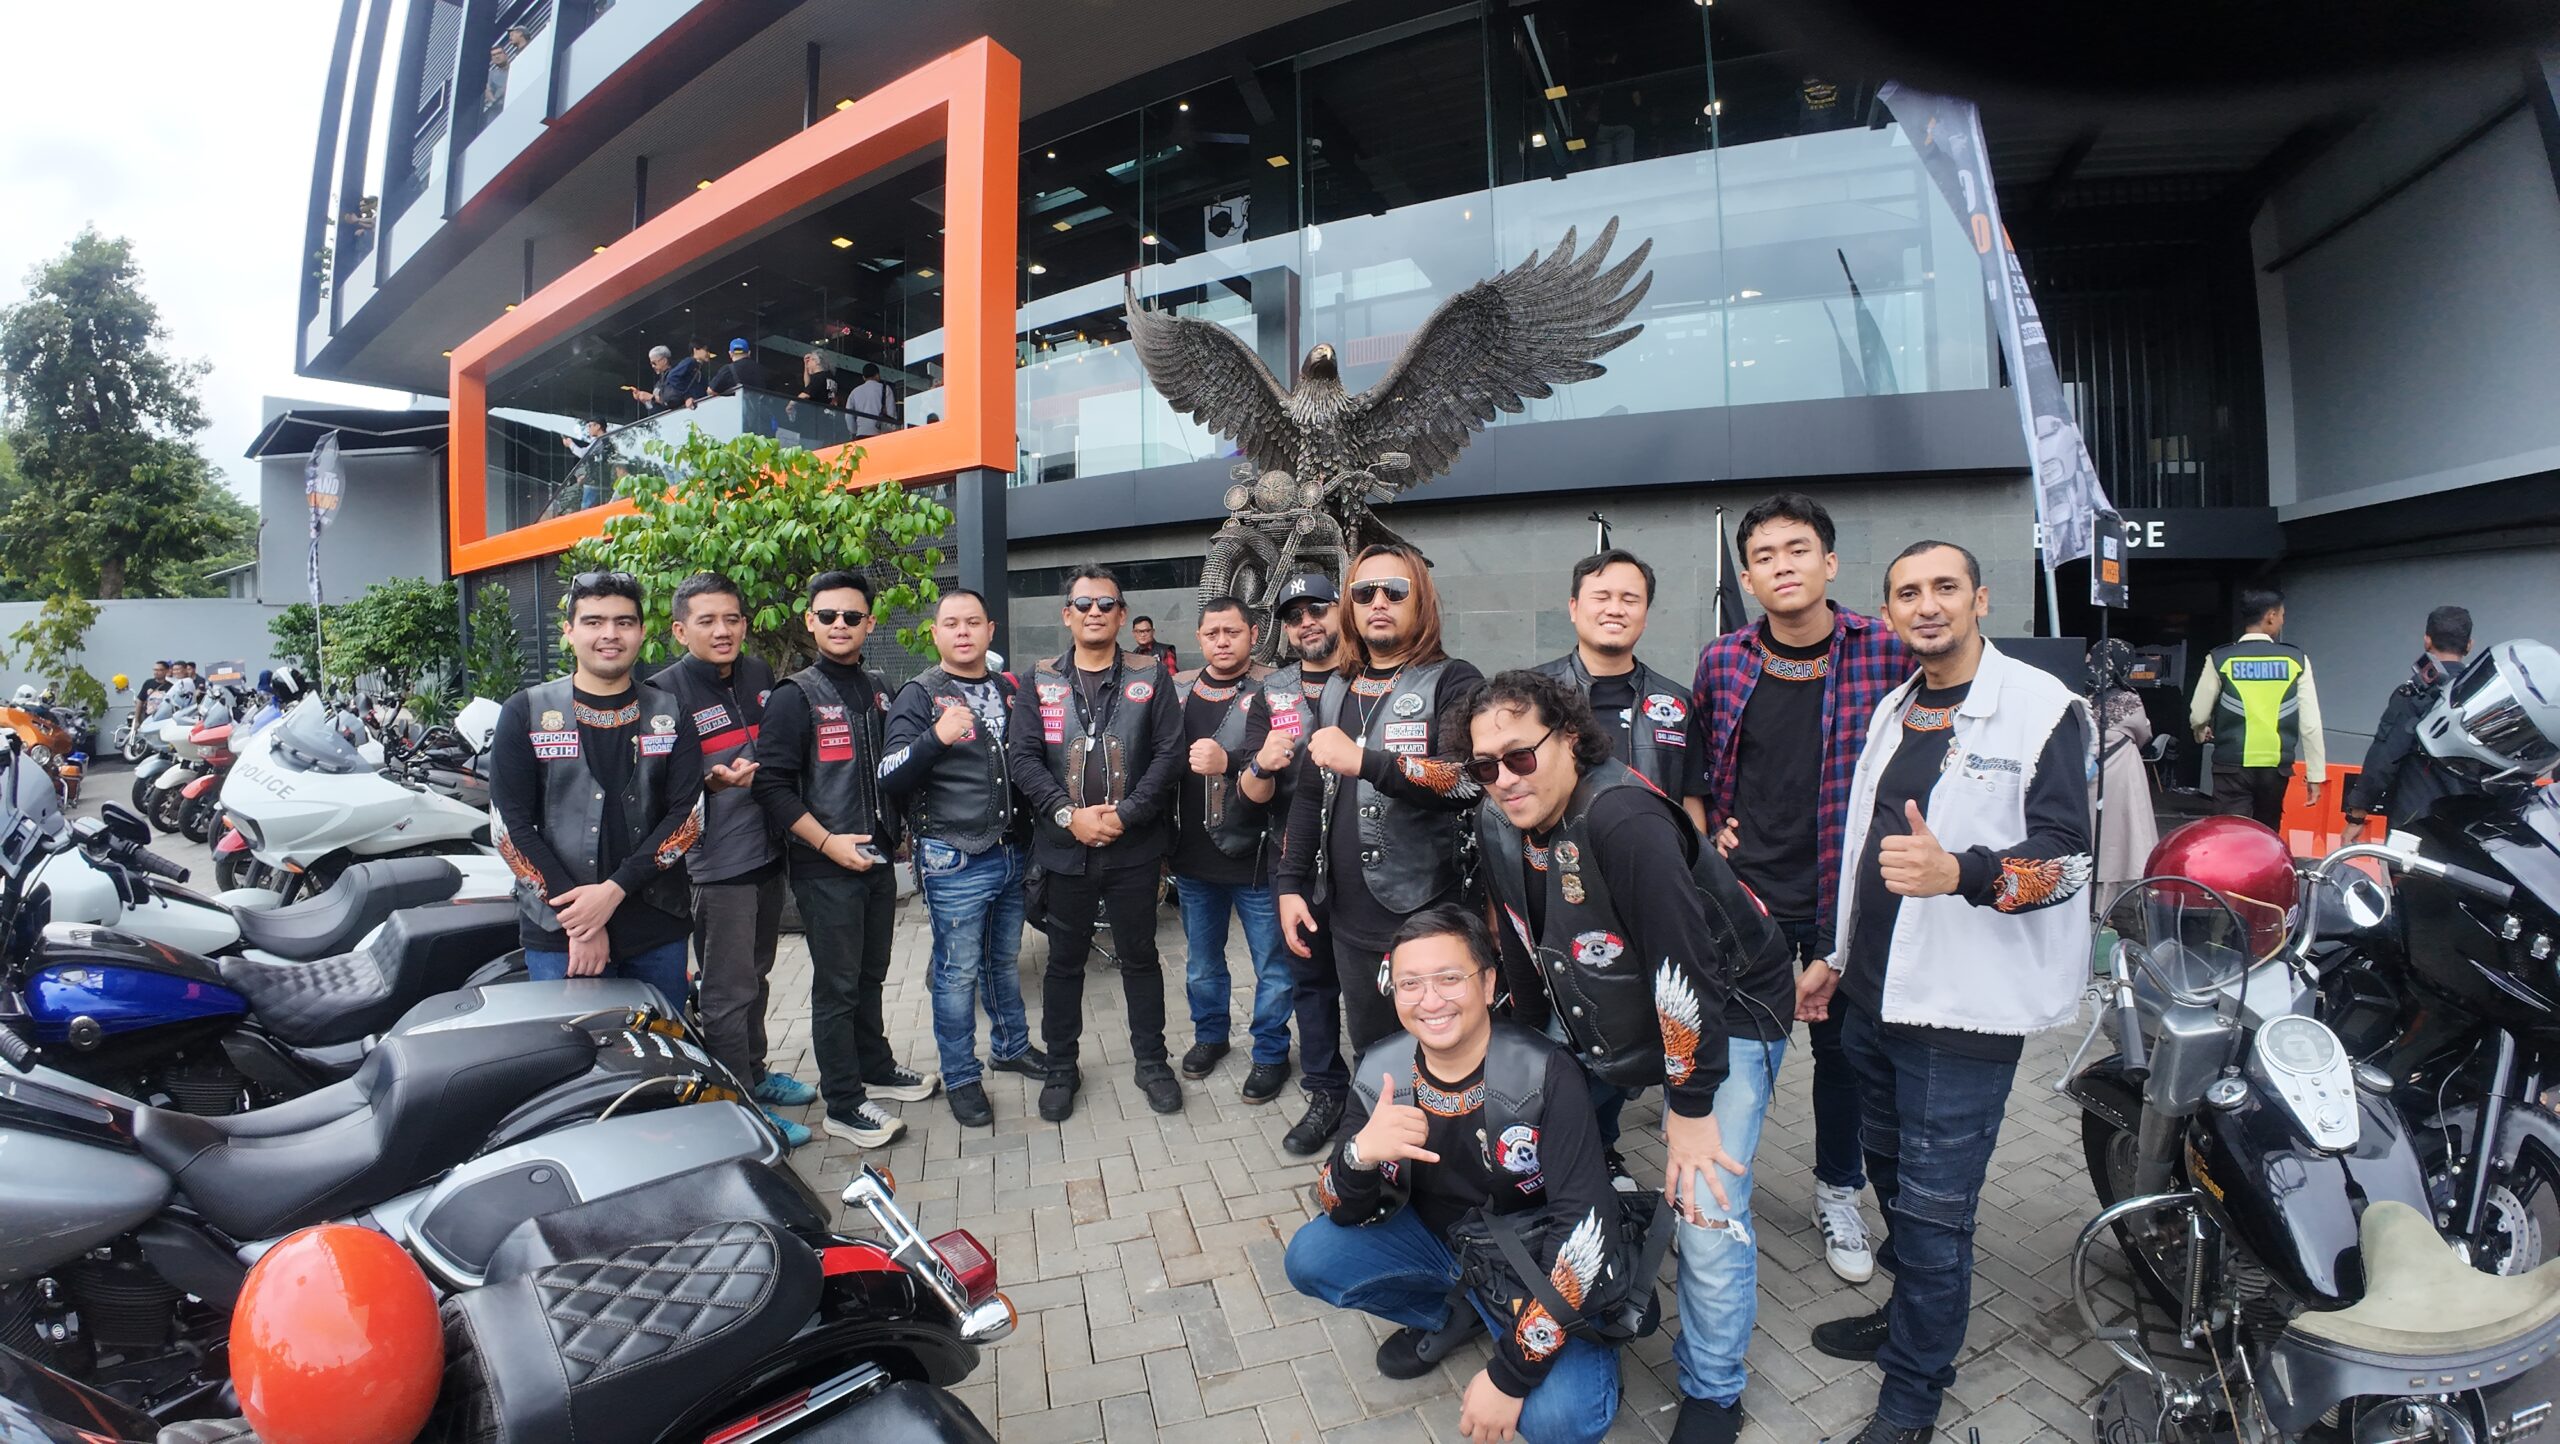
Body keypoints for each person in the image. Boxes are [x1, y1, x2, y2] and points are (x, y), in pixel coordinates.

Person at [1797, 540, 2094, 1444]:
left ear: (1980, 599)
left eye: (1944, 588)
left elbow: (2068, 863)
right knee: (1893, 1186)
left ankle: (1912, 1398)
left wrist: (1962, 871)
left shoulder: (2042, 709)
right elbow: (1864, 849)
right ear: (1888, 612)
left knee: (1935, 1218)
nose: (1926, 606)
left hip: (1960, 1018)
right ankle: (1909, 1321)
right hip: (1872, 1002)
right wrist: (1836, 957)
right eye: (1907, 593)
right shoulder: (1896, 709)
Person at [1463, 669, 1791, 1444]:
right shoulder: (1499, 819)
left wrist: (1689, 1109)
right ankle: (1536, 1278)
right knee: (1514, 1126)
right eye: (1485, 766)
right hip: (1608, 994)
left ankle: (1714, 1388)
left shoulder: (1623, 819)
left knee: (1704, 1205)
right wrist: (1528, 1058)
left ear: (1570, 739)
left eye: (1520, 756)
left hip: (1728, 1004)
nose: (1504, 779)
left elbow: (1686, 969)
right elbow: (1523, 944)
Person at [1283, 906, 1622, 1444]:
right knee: (1311, 1256)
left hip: (1533, 1264)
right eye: (1410, 984)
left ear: (1487, 984)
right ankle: (1453, 1313)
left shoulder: (1546, 1072)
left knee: (1565, 1419)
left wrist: (1511, 1375)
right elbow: (1338, 1206)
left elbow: (1583, 1230)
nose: (1430, 1000)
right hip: (1440, 1246)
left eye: (1449, 978)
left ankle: (1502, 1321)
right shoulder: (1380, 1070)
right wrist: (1359, 1155)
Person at [1685, 491, 1908, 1286]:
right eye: (1765, 557)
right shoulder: (1724, 660)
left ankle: (1839, 1191)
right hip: (1751, 899)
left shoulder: (1887, 652)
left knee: (1846, 1057)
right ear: (1747, 578)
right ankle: (1715, 1202)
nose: (1783, 567)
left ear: (1830, 562)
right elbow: (1702, 766)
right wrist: (1711, 832)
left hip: (1850, 898)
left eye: (1798, 550)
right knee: (1740, 1056)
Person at [1276, 543, 1485, 1066]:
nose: (1378, 602)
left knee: (1442, 1050)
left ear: (1421, 601)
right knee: (1372, 1052)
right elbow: (1311, 792)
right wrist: (1289, 883)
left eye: (1395, 591)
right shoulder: (1337, 686)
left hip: (1427, 909)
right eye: (1364, 592)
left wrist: (1366, 761)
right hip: (1347, 914)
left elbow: (1466, 781)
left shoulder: (1454, 680)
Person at [751, 570, 938, 1150]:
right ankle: (843, 1102)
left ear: (869, 623)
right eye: (827, 615)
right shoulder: (794, 696)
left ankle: (874, 1066)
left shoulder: (879, 686)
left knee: (871, 973)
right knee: (837, 987)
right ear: (810, 621)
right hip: (824, 865)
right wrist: (827, 842)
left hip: (878, 858)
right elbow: (772, 787)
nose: (839, 625)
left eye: (851, 616)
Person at [1004, 564, 1186, 1121]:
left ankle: (1151, 1062)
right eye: (1083, 604)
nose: (1094, 613)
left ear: (1122, 614)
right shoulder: (1039, 680)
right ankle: (1062, 1065)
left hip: (1134, 849)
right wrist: (1068, 815)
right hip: (1065, 852)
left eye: (1106, 604)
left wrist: (1126, 815)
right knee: (1063, 965)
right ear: (1067, 615)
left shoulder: (1151, 676)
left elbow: (1169, 755)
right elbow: (1023, 758)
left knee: (1140, 958)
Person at [489, 570, 704, 1006]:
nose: (610, 634)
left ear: (642, 632)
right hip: (559, 934)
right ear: (569, 631)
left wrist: (613, 892)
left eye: (624, 622)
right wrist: (580, 922)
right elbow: (509, 827)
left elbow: (688, 817)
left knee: (663, 1044)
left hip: (656, 926)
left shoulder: (671, 712)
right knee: (574, 1046)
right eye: (593, 621)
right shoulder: (525, 712)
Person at [877, 588, 1050, 1128]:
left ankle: (1011, 1047)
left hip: (1010, 850)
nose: (962, 632)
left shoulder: (1009, 688)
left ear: (990, 630)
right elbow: (888, 773)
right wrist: (934, 738)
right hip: (953, 856)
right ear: (935, 633)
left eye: (972, 622)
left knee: (1002, 962)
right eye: (951, 623)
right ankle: (960, 1076)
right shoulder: (919, 694)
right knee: (956, 975)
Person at [655, 572, 813, 1148]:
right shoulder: (662, 694)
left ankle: (757, 1072)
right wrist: (709, 783)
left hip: (768, 851)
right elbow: (653, 788)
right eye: (707, 621)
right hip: (716, 865)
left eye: (732, 618)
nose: (722, 631)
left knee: (758, 974)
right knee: (726, 990)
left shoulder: (757, 674)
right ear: (680, 630)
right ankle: (739, 1110)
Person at [1169, 596, 1298, 1102]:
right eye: (1212, 633)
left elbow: (1291, 758)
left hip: (1258, 856)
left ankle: (1270, 1052)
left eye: (1232, 632)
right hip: (1192, 858)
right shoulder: (1178, 690)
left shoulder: (1277, 688)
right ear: (1199, 638)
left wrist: (1229, 760)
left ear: (1253, 634)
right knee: (1202, 964)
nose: (1222, 642)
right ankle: (1211, 1036)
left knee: (1273, 967)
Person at [1263, 573, 1357, 1155]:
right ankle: (1326, 1092)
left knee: (1382, 987)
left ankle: (1388, 1094)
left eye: (1317, 609)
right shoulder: (1271, 688)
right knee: (1311, 984)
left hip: (1369, 860)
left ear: (1340, 611)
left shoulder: (1372, 677)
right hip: (1297, 861)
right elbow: (1251, 780)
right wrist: (1254, 765)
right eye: (1294, 616)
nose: (1306, 623)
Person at [1533, 548, 1692, 798]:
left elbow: (1691, 800)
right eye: (1601, 597)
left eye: (1630, 600)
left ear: (1645, 615)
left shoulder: (1678, 703)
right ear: (1574, 608)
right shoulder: (1531, 693)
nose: (1615, 609)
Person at [2189, 584, 2326, 831]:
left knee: (2229, 834)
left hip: (2230, 765)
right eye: (2282, 615)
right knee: (2265, 836)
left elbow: (2199, 713)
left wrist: (2200, 732)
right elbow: (2311, 725)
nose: (2282, 621)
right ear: (2270, 616)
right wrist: (2316, 775)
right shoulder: (2295, 660)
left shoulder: (2220, 658)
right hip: (2275, 769)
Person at [2347, 604, 2472, 829]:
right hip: (2470, 822)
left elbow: (2385, 756)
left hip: (2414, 820)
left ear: (2427, 641)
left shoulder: (2414, 693)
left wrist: (2357, 813)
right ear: (2469, 645)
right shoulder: (2481, 695)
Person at [2086, 638, 2160, 901]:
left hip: (2083, 777)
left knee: (2085, 843)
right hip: (2118, 777)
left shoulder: (2076, 692)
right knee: (2113, 845)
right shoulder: (2128, 700)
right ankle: (2101, 911)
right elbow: (2144, 733)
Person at [707, 338, 773, 397]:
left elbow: (711, 391)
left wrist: (727, 396)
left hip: (737, 406)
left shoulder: (727, 370)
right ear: (749, 353)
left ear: (730, 354)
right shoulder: (762, 370)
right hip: (759, 406)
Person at [849, 363, 897, 437]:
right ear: (877, 375)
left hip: (861, 434)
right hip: (879, 434)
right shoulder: (885, 389)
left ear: (863, 377)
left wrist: (854, 430)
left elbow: (848, 415)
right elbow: (891, 414)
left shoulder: (854, 392)